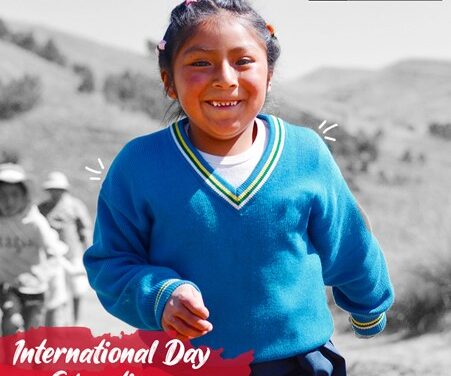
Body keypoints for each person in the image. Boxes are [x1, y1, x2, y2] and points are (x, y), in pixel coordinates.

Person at [83, 1, 395, 375]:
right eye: (200, 63)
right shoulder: (139, 165)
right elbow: (111, 263)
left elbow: (349, 239)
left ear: (269, 74)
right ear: (168, 81)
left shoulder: (304, 153)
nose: (225, 78)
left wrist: (369, 305)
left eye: (243, 61)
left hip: (299, 363)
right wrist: (160, 296)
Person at [0, 163, 66, 335]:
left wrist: (61, 262)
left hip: (35, 286)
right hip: (8, 285)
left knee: (33, 334)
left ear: (24, 196)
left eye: (15, 195)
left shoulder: (35, 222)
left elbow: (52, 247)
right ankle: (10, 360)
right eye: (2, 195)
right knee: (12, 322)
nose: (9, 201)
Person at [38, 172, 92, 325]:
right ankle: (56, 323)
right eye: (52, 189)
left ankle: (76, 321)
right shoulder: (42, 208)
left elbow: (85, 230)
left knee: (77, 290)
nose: (55, 192)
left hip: (73, 254)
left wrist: (88, 252)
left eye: (58, 189)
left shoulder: (75, 206)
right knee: (55, 292)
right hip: (51, 257)